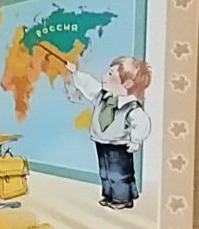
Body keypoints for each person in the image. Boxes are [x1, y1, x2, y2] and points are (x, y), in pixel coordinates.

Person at [64, 56, 153, 209]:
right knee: (105, 172)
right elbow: (88, 85)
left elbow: (141, 123)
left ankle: (122, 198)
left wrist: (135, 140)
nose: (104, 75)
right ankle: (108, 195)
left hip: (119, 145)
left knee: (119, 174)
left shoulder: (130, 107)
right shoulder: (102, 96)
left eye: (110, 74)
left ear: (127, 83)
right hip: (101, 141)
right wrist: (75, 72)